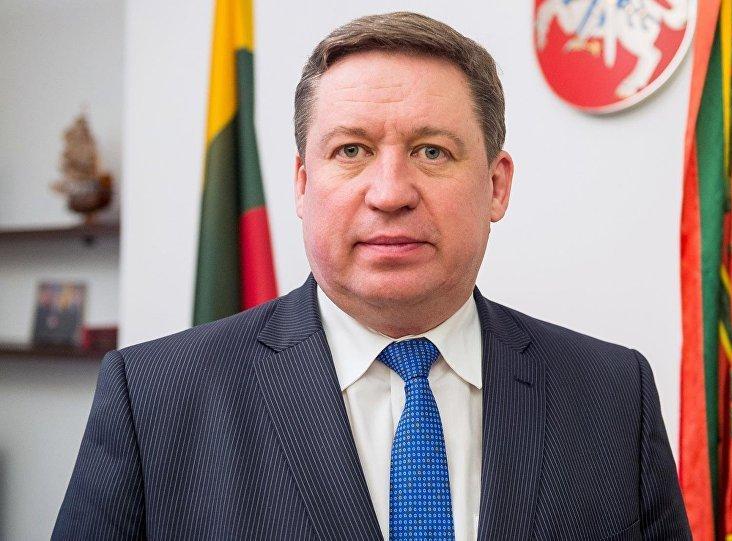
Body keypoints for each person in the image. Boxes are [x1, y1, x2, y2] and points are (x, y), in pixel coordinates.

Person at [53, 12, 690, 540]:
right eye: (351, 150)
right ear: (303, 184)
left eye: (432, 151)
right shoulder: (153, 400)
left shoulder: (613, 395)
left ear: (496, 186)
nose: (389, 193)